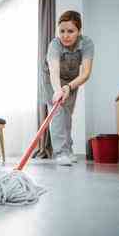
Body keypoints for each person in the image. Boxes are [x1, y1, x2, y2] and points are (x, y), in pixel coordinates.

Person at [42, 10, 94, 166]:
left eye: (70, 31)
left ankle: (68, 150)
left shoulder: (87, 44)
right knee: (57, 111)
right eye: (62, 31)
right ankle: (60, 153)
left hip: (72, 81)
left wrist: (68, 87)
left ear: (79, 31)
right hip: (52, 79)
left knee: (67, 114)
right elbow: (54, 70)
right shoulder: (55, 45)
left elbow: (85, 73)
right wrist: (58, 90)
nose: (65, 35)